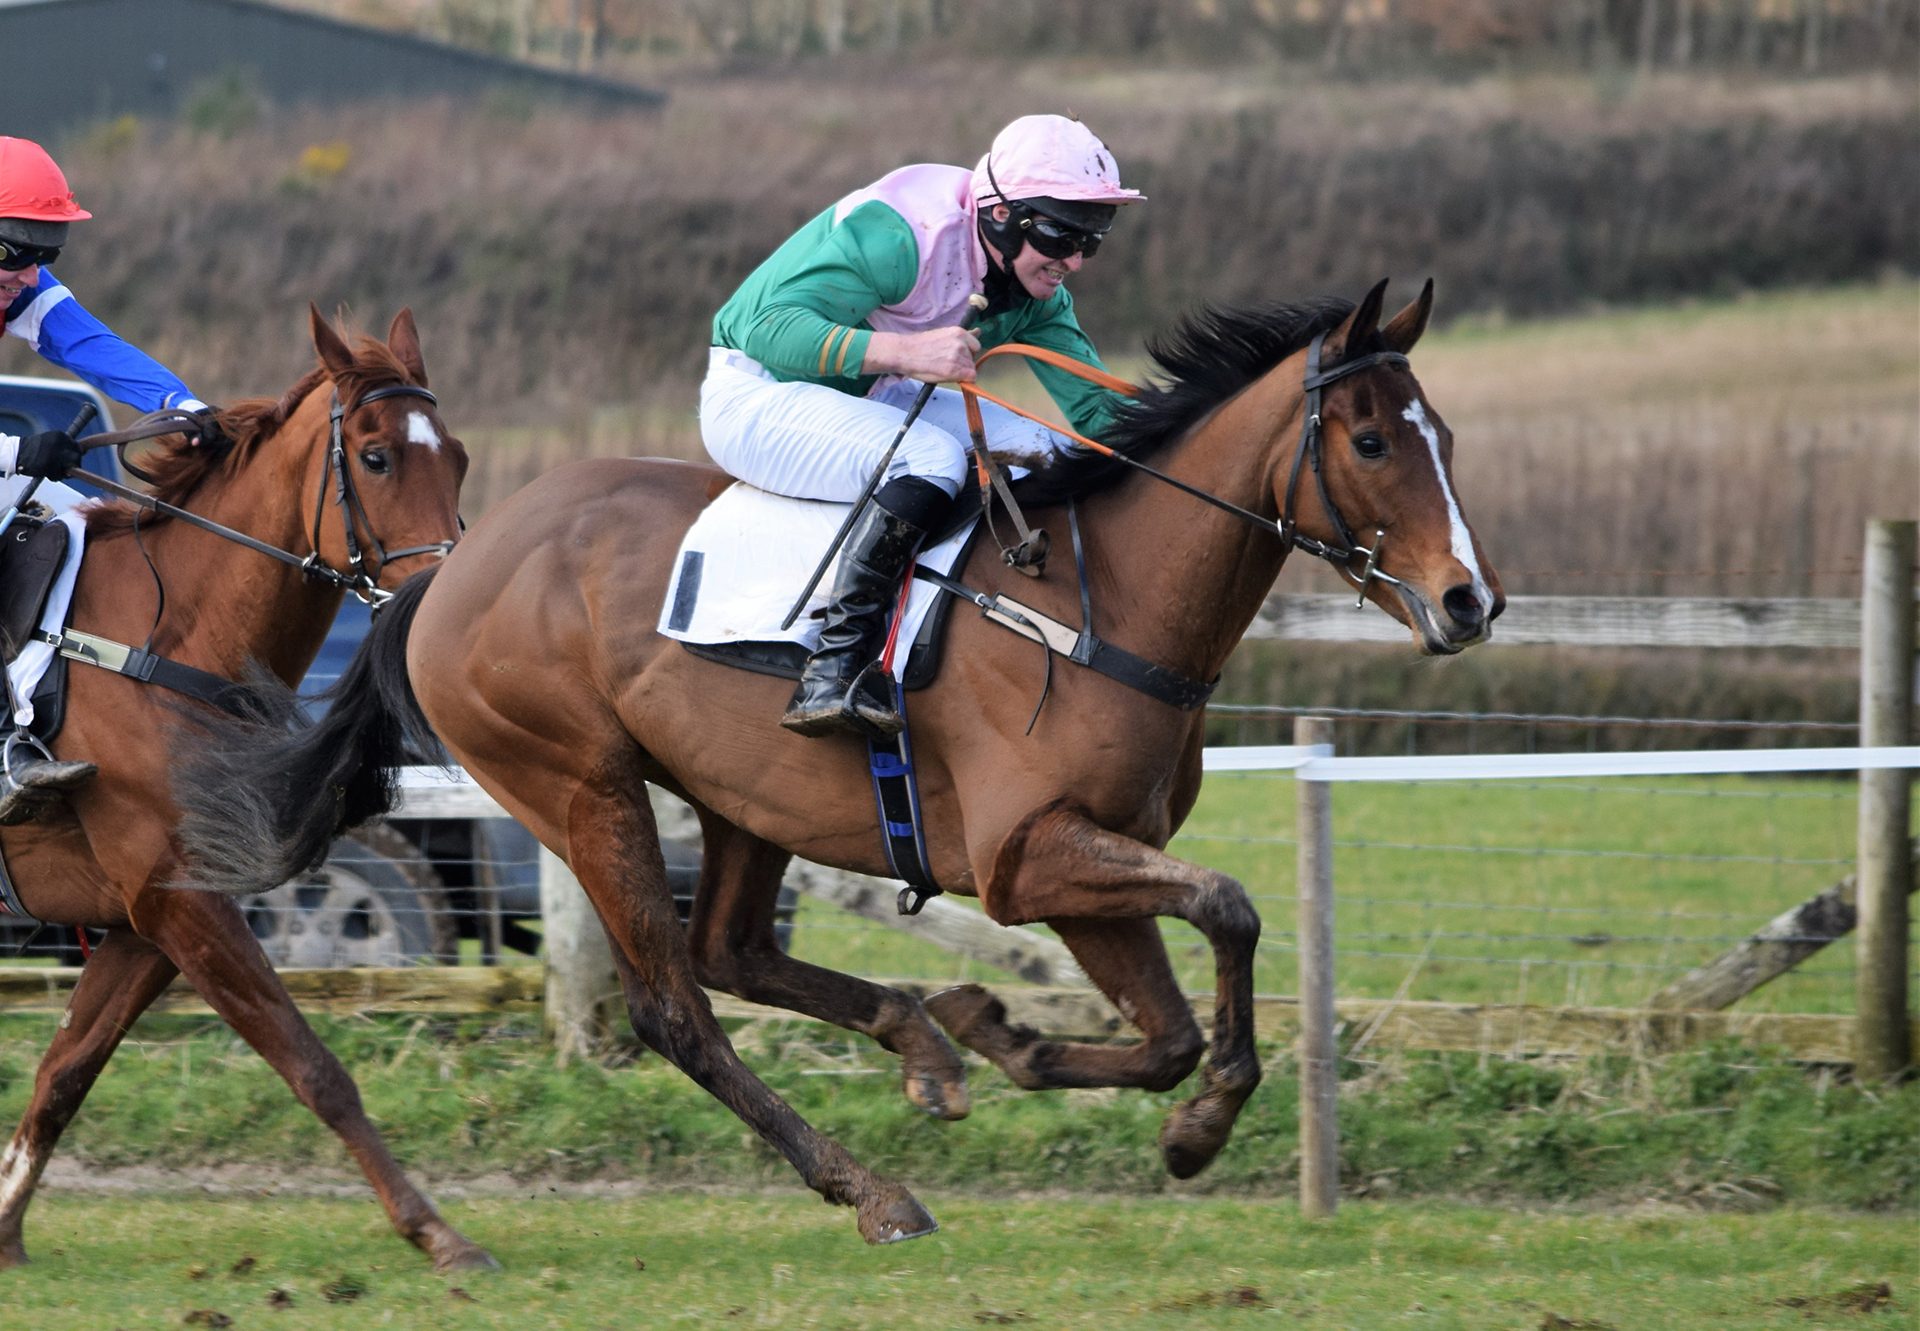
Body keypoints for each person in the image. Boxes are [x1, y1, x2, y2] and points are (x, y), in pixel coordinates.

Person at [703, 113, 1142, 740]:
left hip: (873, 398)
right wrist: (906, 353)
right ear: (1001, 215)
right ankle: (834, 669)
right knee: (932, 458)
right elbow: (768, 331)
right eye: (1061, 237)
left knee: (1049, 449)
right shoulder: (901, 236)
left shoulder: (1034, 292)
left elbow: (1101, 417)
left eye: (1091, 241)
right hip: (756, 395)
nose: (1074, 260)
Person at [0, 136, 212, 824]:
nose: (26, 274)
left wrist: (182, 405)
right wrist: (15, 453)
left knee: (75, 521)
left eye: (45, 254)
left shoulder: (19, 283)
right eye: (12, 251)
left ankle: (24, 725)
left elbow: (93, 346)